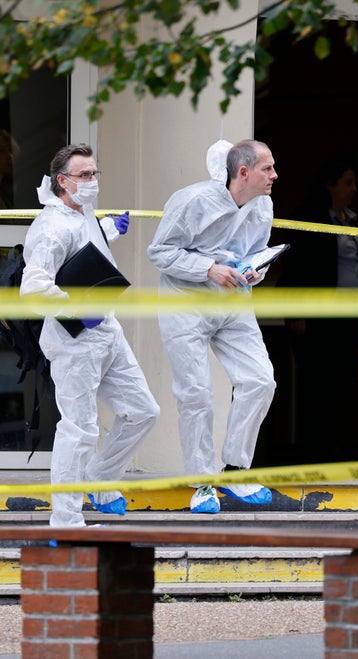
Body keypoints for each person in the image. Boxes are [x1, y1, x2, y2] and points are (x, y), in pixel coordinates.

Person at [21, 143, 159, 527]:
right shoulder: (50, 228)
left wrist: (109, 230)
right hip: (73, 338)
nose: (92, 181)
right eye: (84, 175)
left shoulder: (83, 213)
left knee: (143, 411)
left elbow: (84, 249)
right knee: (79, 429)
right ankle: (66, 521)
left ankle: (98, 479)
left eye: (95, 173)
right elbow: (33, 290)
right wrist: (76, 307)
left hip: (106, 329)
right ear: (62, 182)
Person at [148, 139, 279, 513]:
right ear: (243, 173)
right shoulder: (191, 201)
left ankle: (235, 468)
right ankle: (203, 483)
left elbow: (257, 249)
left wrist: (256, 269)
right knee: (196, 394)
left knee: (259, 380)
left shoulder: (263, 205)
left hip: (232, 300)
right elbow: (160, 252)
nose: (274, 175)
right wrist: (207, 268)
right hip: (185, 303)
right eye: (267, 168)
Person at [281, 156, 358, 451]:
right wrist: (297, 312)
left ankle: (342, 450)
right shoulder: (310, 219)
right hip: (321, 316)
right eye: (348, 183)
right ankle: (315, 452)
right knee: (319, 384)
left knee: (347, 382)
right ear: (330, 185)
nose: (354, 189)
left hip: (352, 315)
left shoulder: (353, 219)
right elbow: (296, 267)